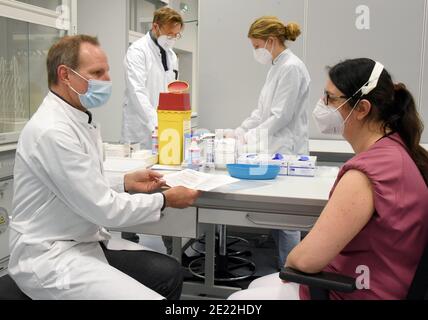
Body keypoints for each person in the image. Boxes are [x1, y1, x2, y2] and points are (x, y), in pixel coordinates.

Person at [8, 35, 200, 300]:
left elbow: (76, 185)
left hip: (79, 240)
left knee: (168, 272)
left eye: (107, 70)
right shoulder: (53, 130)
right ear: (65, 74)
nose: (107, 79)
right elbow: (105, 209)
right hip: (50, 254)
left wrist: (124, 183)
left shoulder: (77, 117)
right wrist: (164, 200)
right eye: (97, 72)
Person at [229, 58, 428, 300]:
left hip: (357, 290)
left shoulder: (364, 174)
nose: (322, 105)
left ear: (362, 109)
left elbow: (304, 260)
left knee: (239, 300)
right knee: (256, 286)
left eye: (330, 98)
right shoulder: (397, 151)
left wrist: (296, 256)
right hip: (382, 281)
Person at [236, 16, 311, 269]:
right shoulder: (277, 66)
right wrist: (241, 130)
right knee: (280, 218)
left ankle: (291, 274)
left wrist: (250, 137)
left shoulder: (291, 67)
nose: (255, 51)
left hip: (287, 148)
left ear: (270, 41)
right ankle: (283, 267)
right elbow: (262, 112)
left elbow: (281, 116)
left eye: (256, 46)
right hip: (275, 147)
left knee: (287, 219)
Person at [121, 7, 183, 245]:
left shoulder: (171, 54)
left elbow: (172, 90)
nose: (172, 38)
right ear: (155, 27)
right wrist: (156, 125)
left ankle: (170, 240)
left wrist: (175, 122)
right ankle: (128, 237)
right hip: (141, 127)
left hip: (165, 127)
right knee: (136, 181)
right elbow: (138, 93)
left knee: (163, 180)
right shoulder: (137, 52)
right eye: (170, 33)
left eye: (176, 35)